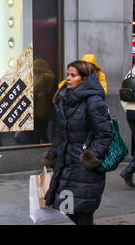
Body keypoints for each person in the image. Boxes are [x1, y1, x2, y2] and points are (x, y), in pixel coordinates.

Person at [41, 60, 113, 225]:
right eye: (68, 74)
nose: (68, 78)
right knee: (65, 205)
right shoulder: (64, 98)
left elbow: (104, 134)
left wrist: (91, 156)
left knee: (83, 208)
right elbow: (61, 134)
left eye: (73, 75)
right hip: (66, 162)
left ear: (84, 78)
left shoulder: (94, 100)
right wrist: (53, 153)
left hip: (83, 163)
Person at [119, 46, 135, 187]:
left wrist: (127, 108)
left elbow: (123, 92)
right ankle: (129, 170)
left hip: (130, 112)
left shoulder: (132, 71)